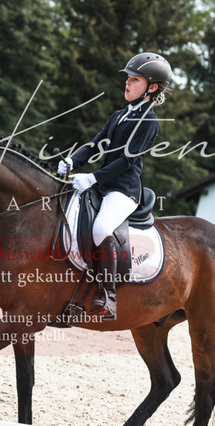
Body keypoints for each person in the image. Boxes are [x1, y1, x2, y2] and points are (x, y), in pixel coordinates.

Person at [57, 52, 172, 320]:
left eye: (134, 80)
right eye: (127, 79)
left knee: (101, 228)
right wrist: (72, 161)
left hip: (123, 190)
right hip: (102, 185)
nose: (127, 84)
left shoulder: (149, 121)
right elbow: (95, 144)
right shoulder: (119, 115)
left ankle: (108, 296)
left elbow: (127, 161)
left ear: (151, 88)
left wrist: (92, 178)